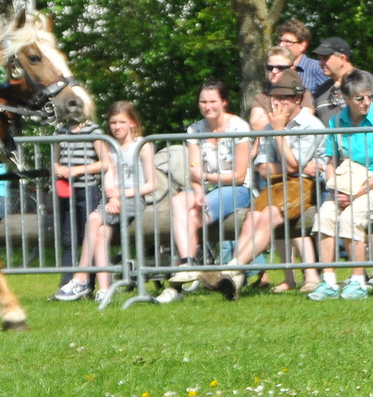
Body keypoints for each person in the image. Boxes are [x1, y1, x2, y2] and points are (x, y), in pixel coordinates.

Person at [210, 71, 326, 299]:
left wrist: (280, 132)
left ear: (298, 99)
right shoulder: (267, 127)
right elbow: (263, 168)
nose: (278, 103)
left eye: (285, 98)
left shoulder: (310, 125)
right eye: (275, 97)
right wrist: (292, 164)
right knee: (252, 218)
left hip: (304, 185)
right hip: (275, 184)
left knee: (268, 215)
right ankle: (235, 274)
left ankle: (231, 270)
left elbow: (294, 168)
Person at [309, 70, 373, 299]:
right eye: (360, 99)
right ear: (346, 99)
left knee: (350, 219)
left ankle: (358, 281)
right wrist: (334, 189)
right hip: (344, 185)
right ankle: (328, 282)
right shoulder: (336, 121)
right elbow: (330, 161)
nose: (367, 102)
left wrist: (358, 193)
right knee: (325, 216)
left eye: (369, 96)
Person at [66, 102, 157, 305]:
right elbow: (109, 174)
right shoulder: (108, 145)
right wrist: (113, 196)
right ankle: (104, 288)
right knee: (100, 232)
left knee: (93, 217)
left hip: (134, 198)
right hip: (111, 198)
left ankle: (80, 277)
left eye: (122, 122)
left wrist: (123, 194)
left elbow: (151, 184)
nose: (116, 127)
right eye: (113, 122)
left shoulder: (143, 145)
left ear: (132, 123)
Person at [167, 80, 255, 282]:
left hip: (239, 188)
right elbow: (194, 169)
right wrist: (198, 191)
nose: (207, 107)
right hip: (208, 189)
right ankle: (188, 261)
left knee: (192, 216)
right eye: (203, 101)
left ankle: (189, 266)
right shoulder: (195, 130)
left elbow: (239, 175)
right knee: (179, 201)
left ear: (224, 102)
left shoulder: (239, 127)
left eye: (213, 101)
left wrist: (205, 178)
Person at [51, 103, 107, 291]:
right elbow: (56, 160)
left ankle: (87, 284)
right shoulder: (60, 132)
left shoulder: (93, 130)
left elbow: (104, 162)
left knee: (86, 236)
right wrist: (57, 168)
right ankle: (66, 284)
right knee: (69, 238)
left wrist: (76, 170)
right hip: (66, 190)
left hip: (87, 189)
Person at [311, 38, 373, 124]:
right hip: (331, 138)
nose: (321, 62)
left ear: (342, 58)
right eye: (320, 58)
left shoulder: (363, 79)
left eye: (325, 58)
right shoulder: (322, 90)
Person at [247, 45, 315, 127]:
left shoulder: (303, 94)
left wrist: (274, 122)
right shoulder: (261, 97)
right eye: (270, 67)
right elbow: (258, 124)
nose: (274, 71)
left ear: (292, 69)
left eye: (280, 67)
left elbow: (305, 122)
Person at [276, 20, 330, 97]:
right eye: (280, 41)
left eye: (287, 42)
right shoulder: (276, 70)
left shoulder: (317, 68)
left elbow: (333, 96)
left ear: (302, 45)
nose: (281, 45)